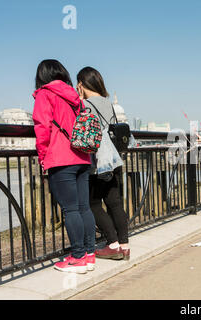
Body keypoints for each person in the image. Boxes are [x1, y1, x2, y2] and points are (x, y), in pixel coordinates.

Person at [32, 59, 96, 273]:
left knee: (70, 210)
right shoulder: (74, 96)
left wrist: (43, 157)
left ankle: (77, 258)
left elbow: (42, 128)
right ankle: (89, 254)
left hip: (61, 158)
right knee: (83, 207)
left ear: (42, 76)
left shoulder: (44, 94)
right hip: (82, 157)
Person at [76, 67, 130, 261]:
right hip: (115, 159)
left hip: (99, 162)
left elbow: (82, 133)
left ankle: (112, 243)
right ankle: (124, 245)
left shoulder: (85, 105)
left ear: (81, 84)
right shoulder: (109, 104)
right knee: (114, 203)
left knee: (93, 204)